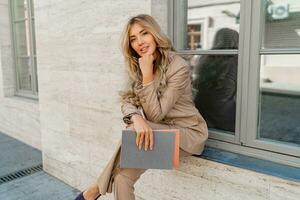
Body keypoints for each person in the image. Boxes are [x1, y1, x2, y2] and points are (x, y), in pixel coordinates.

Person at [75, 14, 208, 200]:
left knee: (132, 131)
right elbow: (127, 100)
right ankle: (95, 191)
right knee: (122, 178)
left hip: (187, 135)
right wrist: (137, 118)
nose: (140, 42)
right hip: (157, 132)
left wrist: (147, 76)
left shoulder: (178, 66)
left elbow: (155, 115)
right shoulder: (138, 64)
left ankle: (94, 190)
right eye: (133, 39)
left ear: (154, 34)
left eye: (144, 33)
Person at [193, 28, 239, 132]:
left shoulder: (207, 57)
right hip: (226, 117)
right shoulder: (237, 60)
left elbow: (197, 84)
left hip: (202, 112)